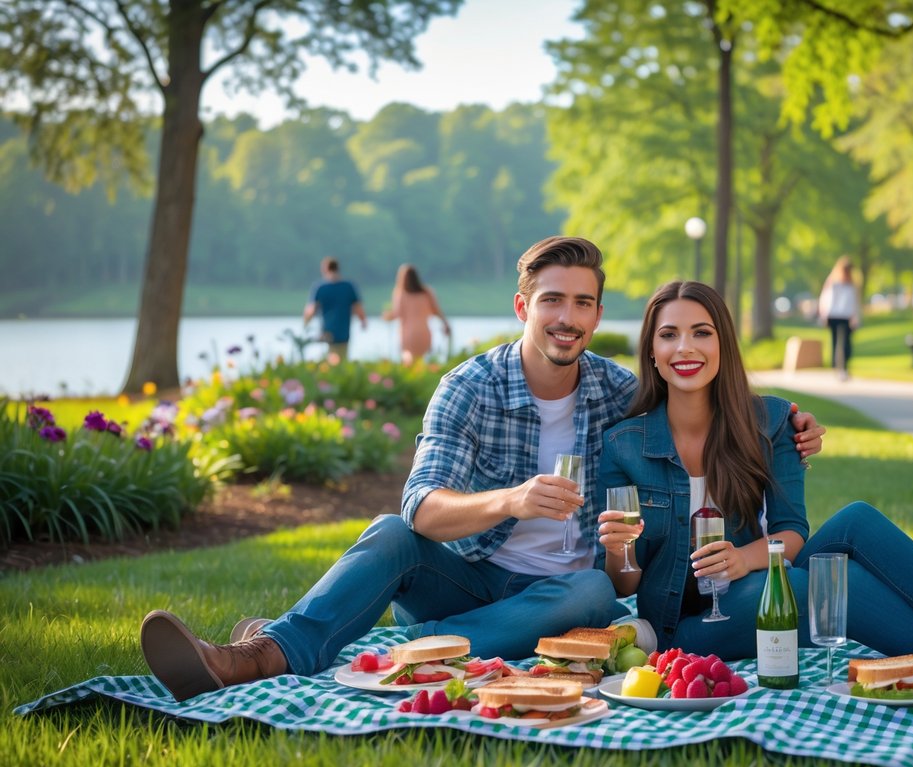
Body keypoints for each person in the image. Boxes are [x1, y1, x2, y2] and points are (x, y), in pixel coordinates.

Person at [139, 238, 827, 702]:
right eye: (552, 300)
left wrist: (786, 423)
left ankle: (349, 653)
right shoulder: (469, 386)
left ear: (595, 314)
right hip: (464, 581)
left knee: (588, 591)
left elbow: (698, 385)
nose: (568, 317)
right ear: (524, 306)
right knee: (388, 532)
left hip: (560, 596)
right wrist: (512, 501)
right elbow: (422, 509)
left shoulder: (616, 391)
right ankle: (258, 658)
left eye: (583, 302)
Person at [596, 280, 913, 676]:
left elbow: (792, 533)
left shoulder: (772, 421)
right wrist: (620, 550)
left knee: (856, 521)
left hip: (756, 582)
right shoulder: (624, 445)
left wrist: (741, 561)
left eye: (701, 333)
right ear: (652, 353)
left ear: (723, 346)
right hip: (684, 624)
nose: (685, 348)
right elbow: (628, 584)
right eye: (669, 335)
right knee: (805, 587)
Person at [383, 263, 451, 366]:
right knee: (422, 361)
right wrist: (445, 323)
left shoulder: (400, 293)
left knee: (408, 360)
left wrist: (386, 316)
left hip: (407, 334)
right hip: (424, 332)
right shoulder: (427, 292)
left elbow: (397, 313)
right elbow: (436, 311)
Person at [304, 256, 368, 361]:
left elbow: (311, 310)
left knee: (329, 359)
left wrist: (305, 324)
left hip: (327, 332)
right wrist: (363, 321)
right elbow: (358, 308)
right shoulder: (348, 286)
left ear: (325, 269)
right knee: (342, 359)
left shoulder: (320, 287)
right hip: (343, 331)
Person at [817, 256, 861, 380]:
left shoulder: (852, 284)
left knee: (846, 343)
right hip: (834, 315)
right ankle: (837, 367)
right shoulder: (833, 282)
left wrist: (856, 317)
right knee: (836, 342)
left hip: (847, 316)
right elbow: (825, 298)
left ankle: (845, 367)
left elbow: (855, 303)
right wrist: (823, 315)